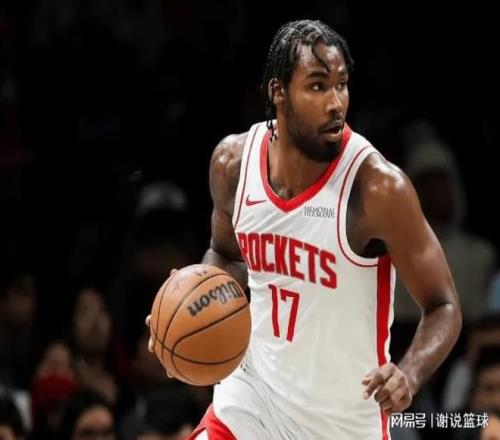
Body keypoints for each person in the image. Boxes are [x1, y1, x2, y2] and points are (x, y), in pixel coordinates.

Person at [146, 19, 462, 439]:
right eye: (317, 86)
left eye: (341, 85)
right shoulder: (233, 164)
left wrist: (410, 373)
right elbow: (225, 255)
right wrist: (184, 308)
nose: (336, 103)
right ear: (278, 91)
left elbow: (443, 305)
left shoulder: (377, 189)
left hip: (343, 425)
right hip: (250, 403)